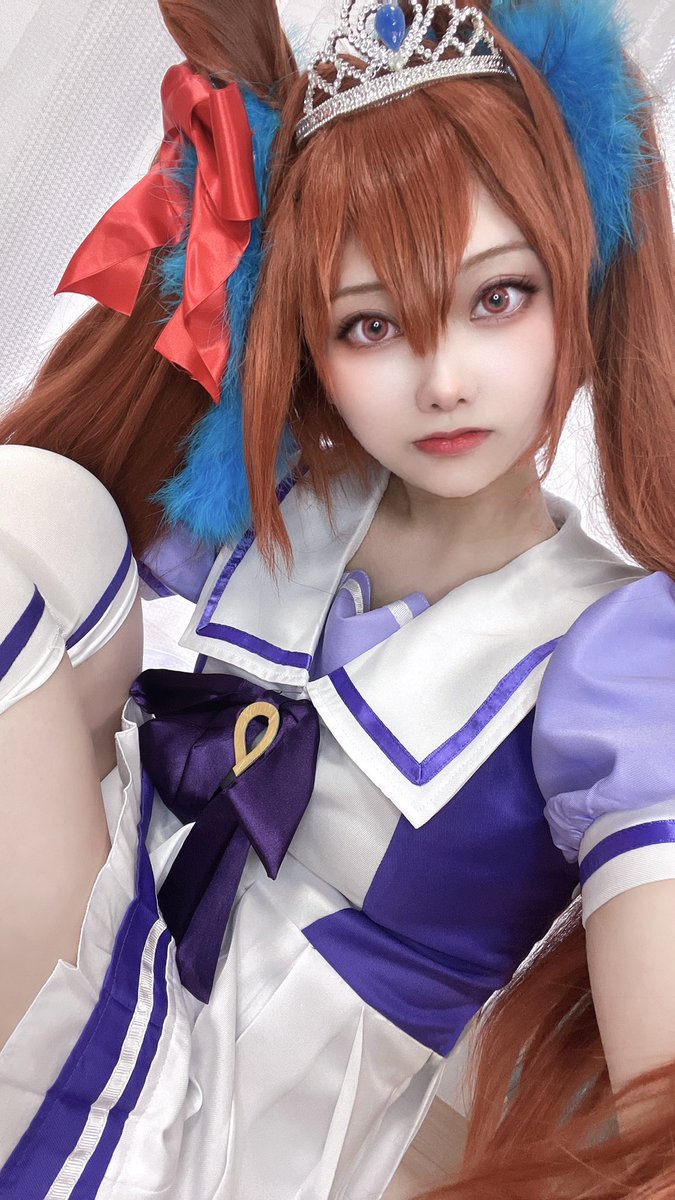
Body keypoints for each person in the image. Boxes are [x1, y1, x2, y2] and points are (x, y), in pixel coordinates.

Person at [0, 1, 672, 1198]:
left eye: (498, 297)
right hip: (79, 972)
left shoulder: (615, 655)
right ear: (309, 340)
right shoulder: (281, 510)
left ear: (583, 272)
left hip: (205, 1153)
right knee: (36, 506)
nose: (444, 378)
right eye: (372, 325)